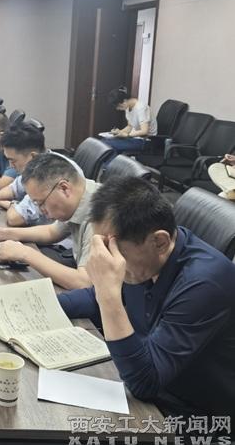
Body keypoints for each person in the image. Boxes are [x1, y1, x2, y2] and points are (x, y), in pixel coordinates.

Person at [59, 176, 235, 416]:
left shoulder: (205, 282)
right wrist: (34, 308)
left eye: (114, 250)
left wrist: (108, 295)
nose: (107, 258)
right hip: (146, 383)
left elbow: (144, 382)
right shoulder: (146, 259)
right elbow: (93, 299)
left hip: (193, 414)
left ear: (160, 241)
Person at [0, 153, 96, 290]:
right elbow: (52, 231)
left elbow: (84, 282)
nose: (41, 210)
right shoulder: (81, 194)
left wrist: (25, 253)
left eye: (41, 203)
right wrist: (2, 233)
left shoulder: (100, 214)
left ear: (64, 188)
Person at [100, 85, 156, 154]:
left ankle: (113, 161)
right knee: (104, 140)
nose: (118, 109)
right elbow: (130, 126)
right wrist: (119, 132)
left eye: (118, 106)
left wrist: (127, 135)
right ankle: (112, 160)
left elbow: (144, 131)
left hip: (146, 140)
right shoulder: (127, 107)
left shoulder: (141, 107)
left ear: (124, 101)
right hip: (136, 138)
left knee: (108, 144)